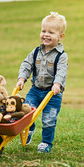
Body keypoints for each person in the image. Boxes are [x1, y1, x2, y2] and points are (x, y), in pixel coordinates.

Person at [16, 12, 68, 153]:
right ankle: (30, 129)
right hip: (35, 90)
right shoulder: (35, 52)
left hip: (52, 94)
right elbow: (27, 65)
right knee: (27, 111)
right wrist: (22, 78)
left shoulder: (61, 56)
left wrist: (57, 84)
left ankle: (46, 143)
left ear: (60, 36)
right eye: (43, 31)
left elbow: (61, 72)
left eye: (51, 32)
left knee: (49, 120)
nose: (46, 34)